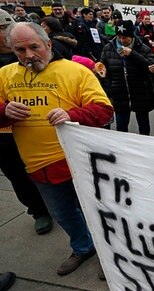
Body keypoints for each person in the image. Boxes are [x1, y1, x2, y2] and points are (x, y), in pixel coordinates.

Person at [0, 22, 113, 275]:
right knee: (62, 213)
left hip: (79, 162)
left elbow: (104, 111)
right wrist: (4, 111)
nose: (29, 55)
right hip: (38, 166)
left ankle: (111, 259)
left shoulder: (75, 71)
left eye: (34, 47)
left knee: (98, 212)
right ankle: (83, 247)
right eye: (20, 50)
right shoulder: (5, 75)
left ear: (48, 44)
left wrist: (72, 114)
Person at [0, 10, 52, 235]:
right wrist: (4, 110)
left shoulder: (37, 53)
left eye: (5, 27)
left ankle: (60, 205)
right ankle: (39, 210)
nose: (5, 34)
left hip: (43, 130)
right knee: (18, 175)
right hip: (5, 136)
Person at [100, 20, 154, 135]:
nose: (121, 40)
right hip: (119, 93)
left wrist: (132, 54)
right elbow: (104, 70)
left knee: (144, 126)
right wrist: (109, 90)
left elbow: (150, 67)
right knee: (121, 127)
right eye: (119, 37)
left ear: (131, 36)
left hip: (140, 92)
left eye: (125, 38)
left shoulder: (143, 48)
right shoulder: (108, 48)